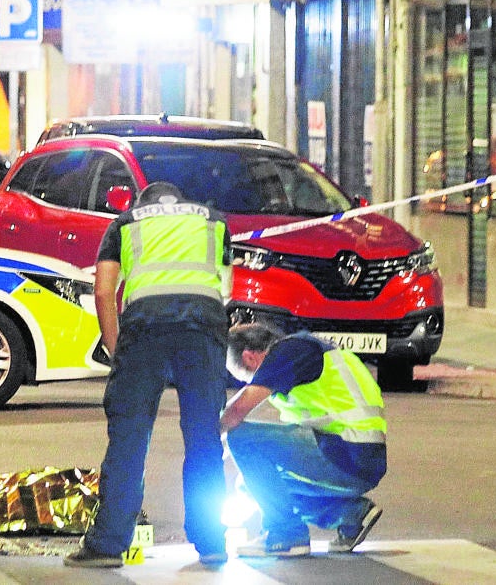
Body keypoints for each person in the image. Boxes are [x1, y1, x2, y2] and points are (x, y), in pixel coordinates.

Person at [64, 182, 233, 569]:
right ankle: (211, 543)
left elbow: (105, 292)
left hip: (145, 328)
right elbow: (224, 290)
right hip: (202, 325)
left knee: (130, 437)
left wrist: (115, 347)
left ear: (144, 204)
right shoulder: (213, 221)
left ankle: (107, 546)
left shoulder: (124, 223)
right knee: (204, 437)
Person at [219, 323, 386, 558]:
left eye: (245, 377)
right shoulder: (307, 351)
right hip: (360, 460)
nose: (250, 383)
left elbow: (235, 413)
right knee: (250, 486)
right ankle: (352, 515)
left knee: (242, 438)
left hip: (345, 451)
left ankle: (285, 535)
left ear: (249, 358)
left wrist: (205, 446)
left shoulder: (287, 352)